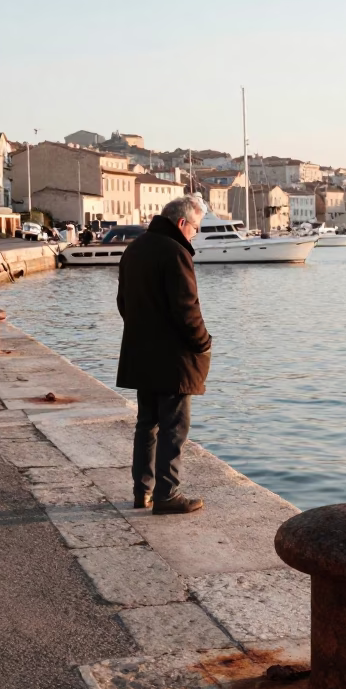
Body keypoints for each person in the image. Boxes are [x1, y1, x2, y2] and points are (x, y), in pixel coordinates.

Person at [116, 195, 211, 514]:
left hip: (141, 352)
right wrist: (203, 342)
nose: (195, 234)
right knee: (175, 427)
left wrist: (143, 330)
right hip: (173, 358)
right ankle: (167, 495)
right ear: (182, 223)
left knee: (148, 424)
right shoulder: (176, 252)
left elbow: (122, 303)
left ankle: (141, 491)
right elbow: (187, 309)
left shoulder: (135, 247)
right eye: (195, 228)